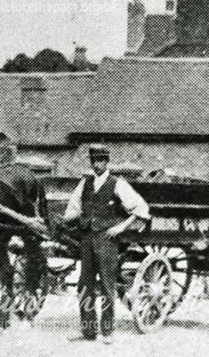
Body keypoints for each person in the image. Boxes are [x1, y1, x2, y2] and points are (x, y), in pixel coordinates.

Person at [64, 146, 149, 345]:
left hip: (107, 241)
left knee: (107, 285)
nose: (97, 164)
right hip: (86, 239)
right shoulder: (85, 183)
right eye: (94, 160)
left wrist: (121, 227)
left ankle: (108, 331)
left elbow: (140, 208)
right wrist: (65, 218)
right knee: (84, 285)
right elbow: (74, 208)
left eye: (101, 160)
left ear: (107, 161)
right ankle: (88, 331)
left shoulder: (117, 184)